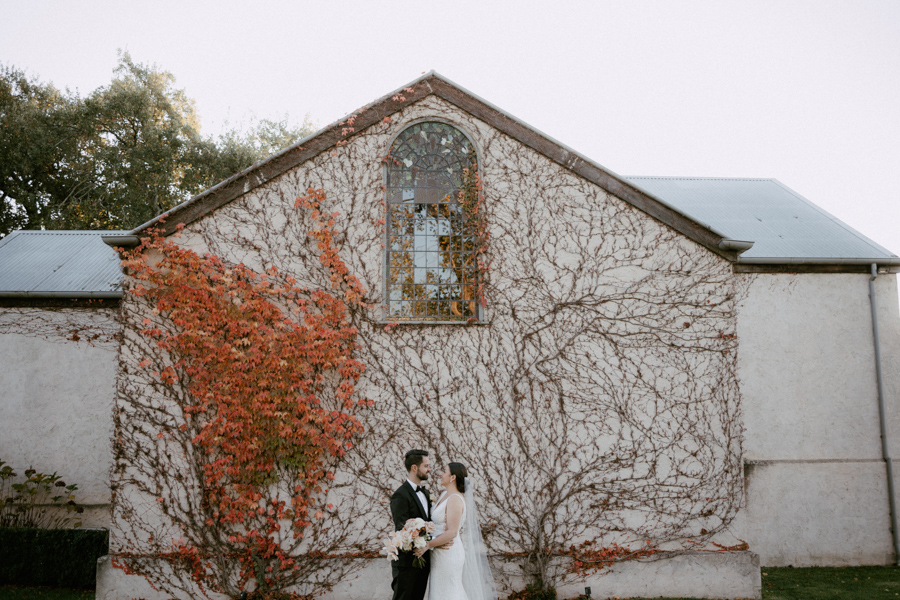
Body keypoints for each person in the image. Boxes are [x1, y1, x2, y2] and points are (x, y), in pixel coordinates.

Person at [414, 462, 498, 600]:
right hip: (439, 552)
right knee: (439, 591)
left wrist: (428, 545)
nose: (441, 474)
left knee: (450, 591)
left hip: (449, 553)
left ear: (452, 477)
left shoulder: (455, 499)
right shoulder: (444, 495)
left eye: (444, 471)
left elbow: (452, 532)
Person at [390, 449, 435, 600]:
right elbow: (402, 529)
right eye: (426, 466)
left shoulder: (427, 494)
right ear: (415, 468)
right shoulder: (400, 495)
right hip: (407, 565)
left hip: (423, 563)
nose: (429, 469)